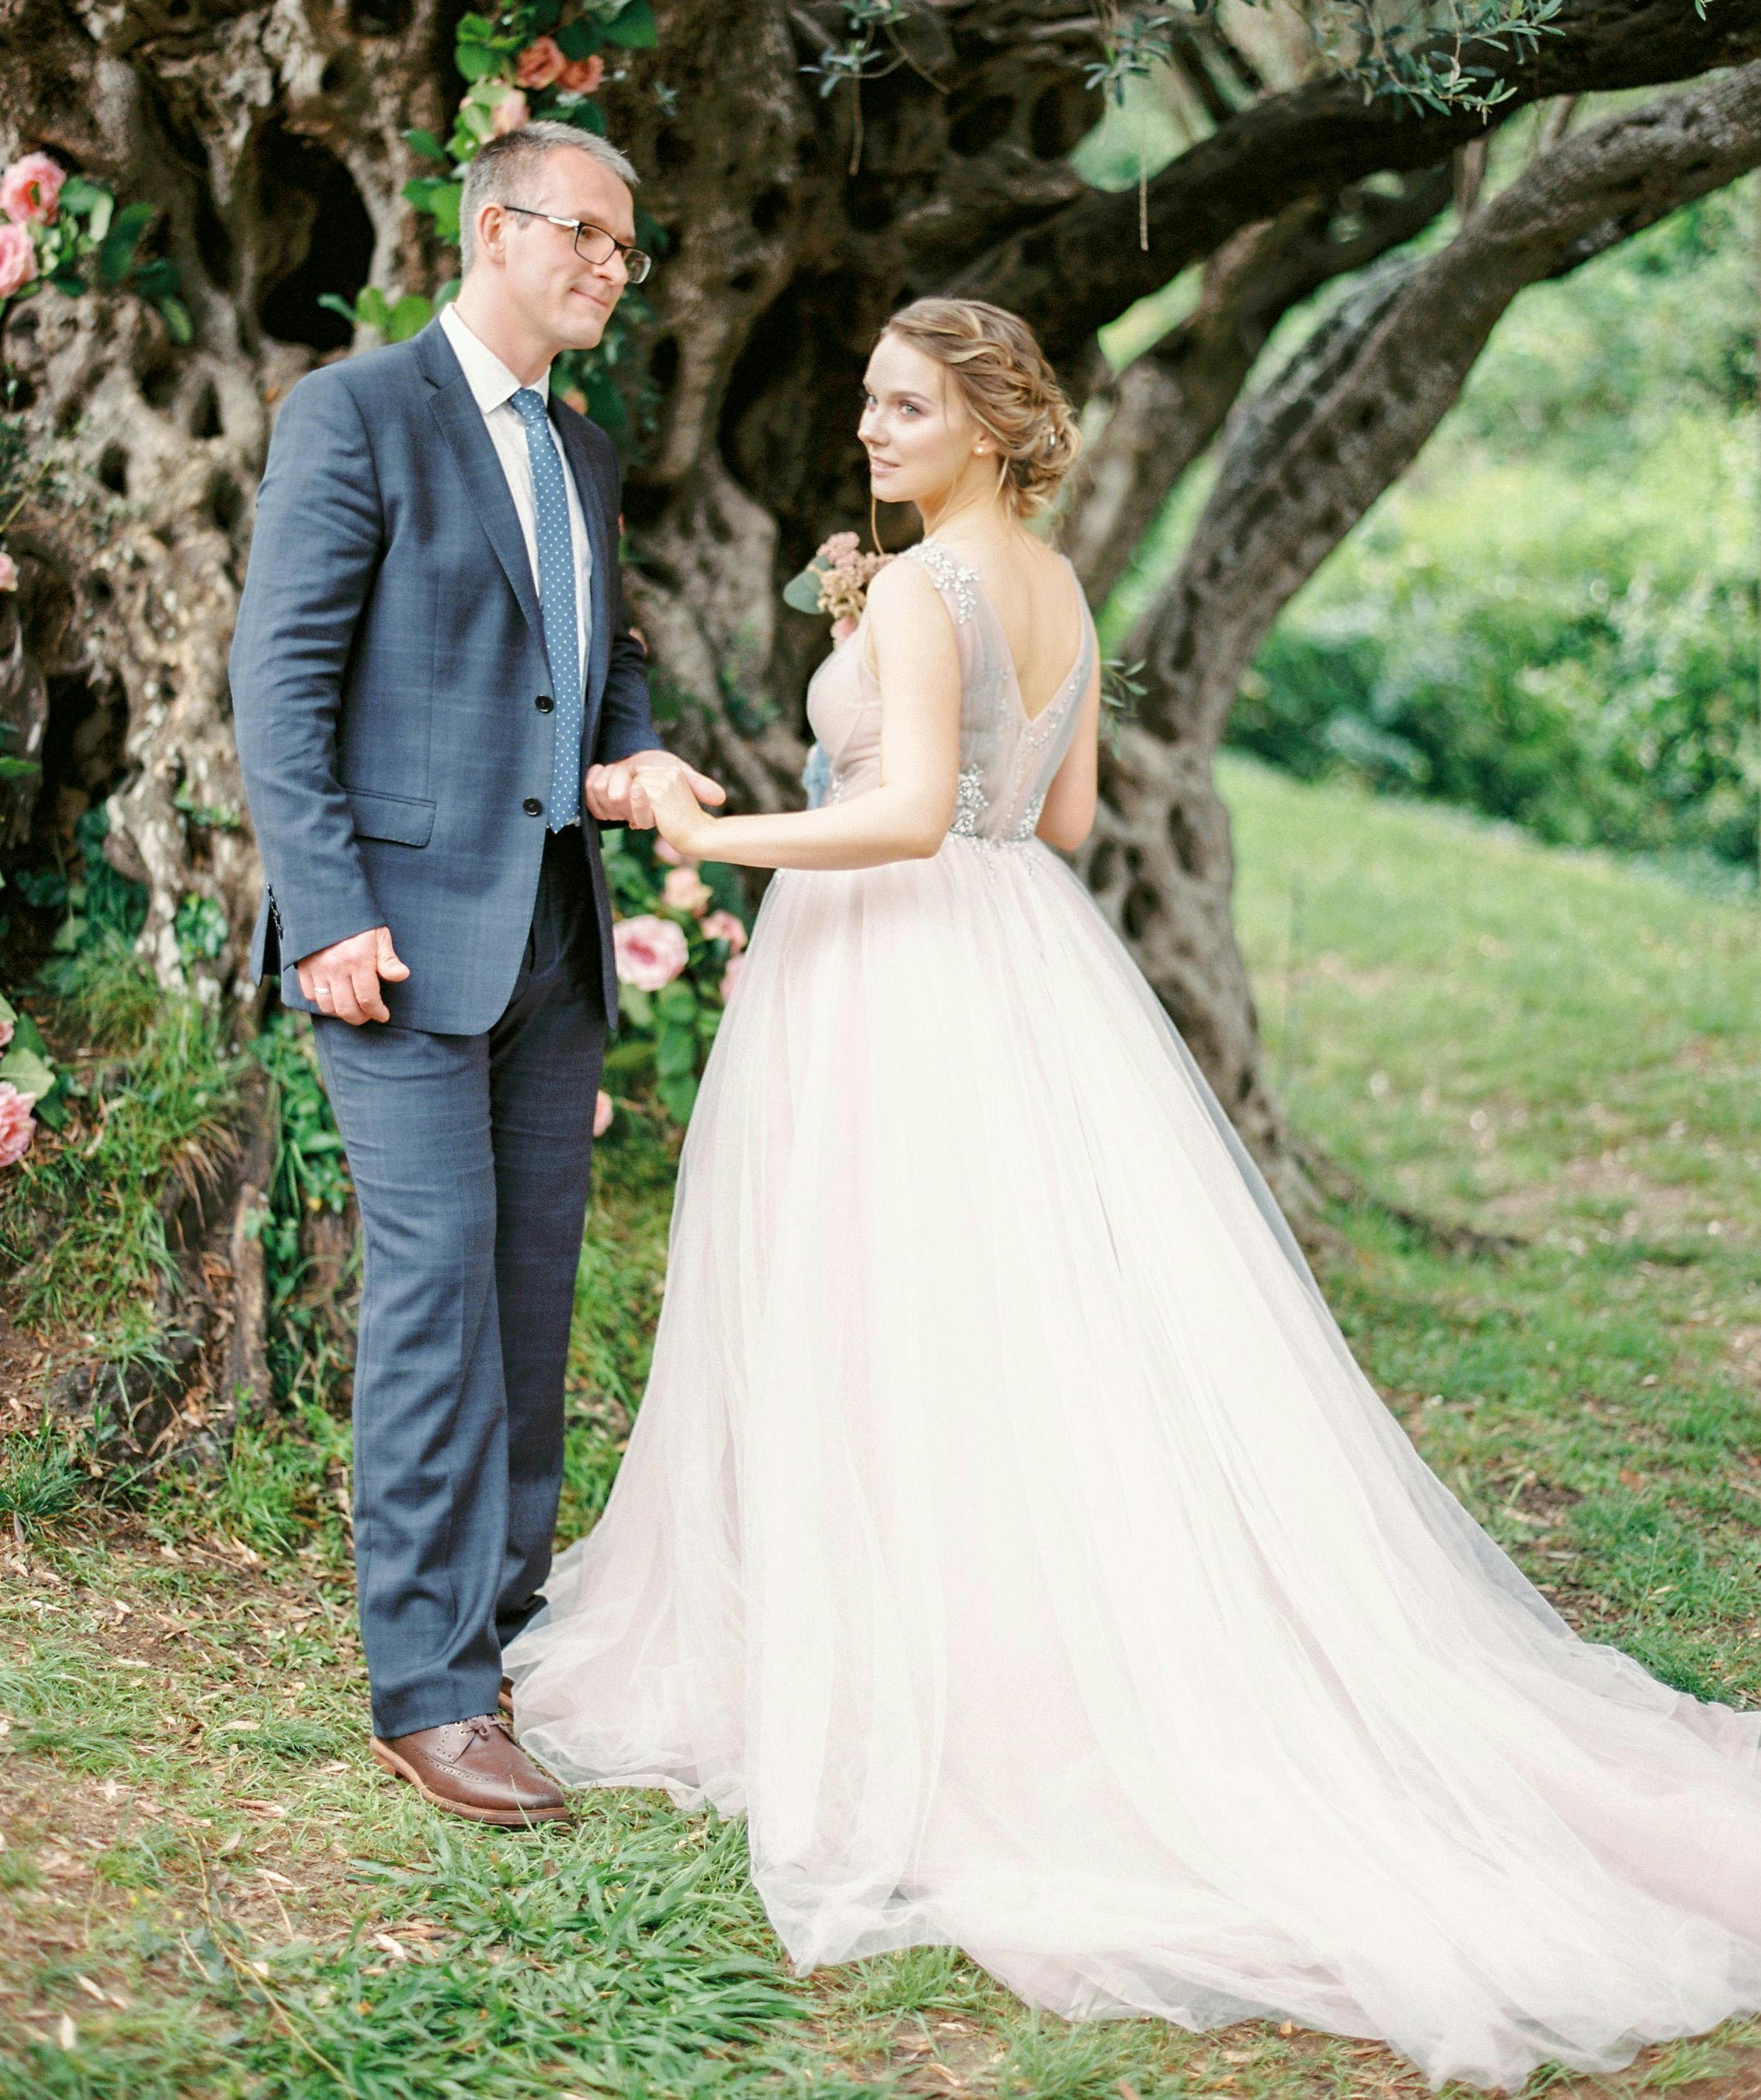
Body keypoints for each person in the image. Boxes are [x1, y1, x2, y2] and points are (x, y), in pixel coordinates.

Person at [507, 295, 1761, 2086]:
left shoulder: (927, 589)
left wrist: (717, 831)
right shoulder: (1059, 589)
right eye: (868, 401)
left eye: (904, 406)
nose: (868, 430)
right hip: (1021, 954)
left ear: (986, 427)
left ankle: (919, 1671)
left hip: (892, 963)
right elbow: (1066, 817)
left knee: (886, 1303)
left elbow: (913, 811)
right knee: (1014, 1318)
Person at [231, 122, 723, 1827]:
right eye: (588, 234)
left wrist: (632, 759)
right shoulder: (355, 412)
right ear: (495, 229)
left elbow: (597, 664)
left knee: (526, 1290)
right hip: (391, 948)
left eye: (626, 250)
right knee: (437, 1294)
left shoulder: (583, 450)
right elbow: (280, 681)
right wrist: (326, 912)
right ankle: (427, 1689)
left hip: (552, 945)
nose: (611, 268)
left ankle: (498, 1631)